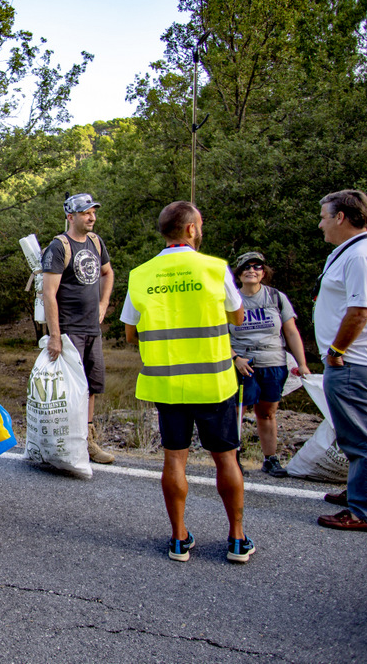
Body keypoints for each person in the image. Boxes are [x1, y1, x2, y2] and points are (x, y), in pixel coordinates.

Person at [120, 201, 254, 563]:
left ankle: (179, 539)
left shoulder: (141, 274)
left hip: (167, 383)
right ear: (192, 229)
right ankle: (237, 539)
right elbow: (238, 317)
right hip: (213, 381)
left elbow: (131, 334)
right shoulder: (214, 268)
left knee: (174, 460)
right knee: (227, 459)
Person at [314, 190, 367, 533]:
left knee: (364, 437)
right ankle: (359, 492)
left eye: (323, 217)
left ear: (341, 218)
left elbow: (359, 312)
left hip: (354, 361)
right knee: (353, 434)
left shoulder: (361, 256)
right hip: (353, 361)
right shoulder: (349, 252)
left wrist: (336, 352)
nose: (321, 224)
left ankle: (366, 511)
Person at [41, 193, 117, 464]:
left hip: (91, 328)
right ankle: (64, 443)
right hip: (68, 329)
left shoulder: (96, 242)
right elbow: (48, 293)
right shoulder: (59, 247)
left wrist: (104, 303)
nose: (92, 217)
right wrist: (55, 336)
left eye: (94, 212)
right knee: (68, 389)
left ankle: (88, 441)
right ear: (70, 217)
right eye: (86, 213)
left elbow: (108, 273)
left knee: (91, 386)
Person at [228, 251, 311, 477]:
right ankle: (233, 458)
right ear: (238, 273)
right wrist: (235, 358)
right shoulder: (231, 299)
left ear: (264, 273)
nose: (251, 271)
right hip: (242, 364)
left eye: (256, 267)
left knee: (267, 413)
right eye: (246, 267)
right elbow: (218, 334)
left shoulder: (276, 297)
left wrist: (302, 363)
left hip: (274, 362)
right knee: (237, 412)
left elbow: (291, 332)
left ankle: (270, 459)